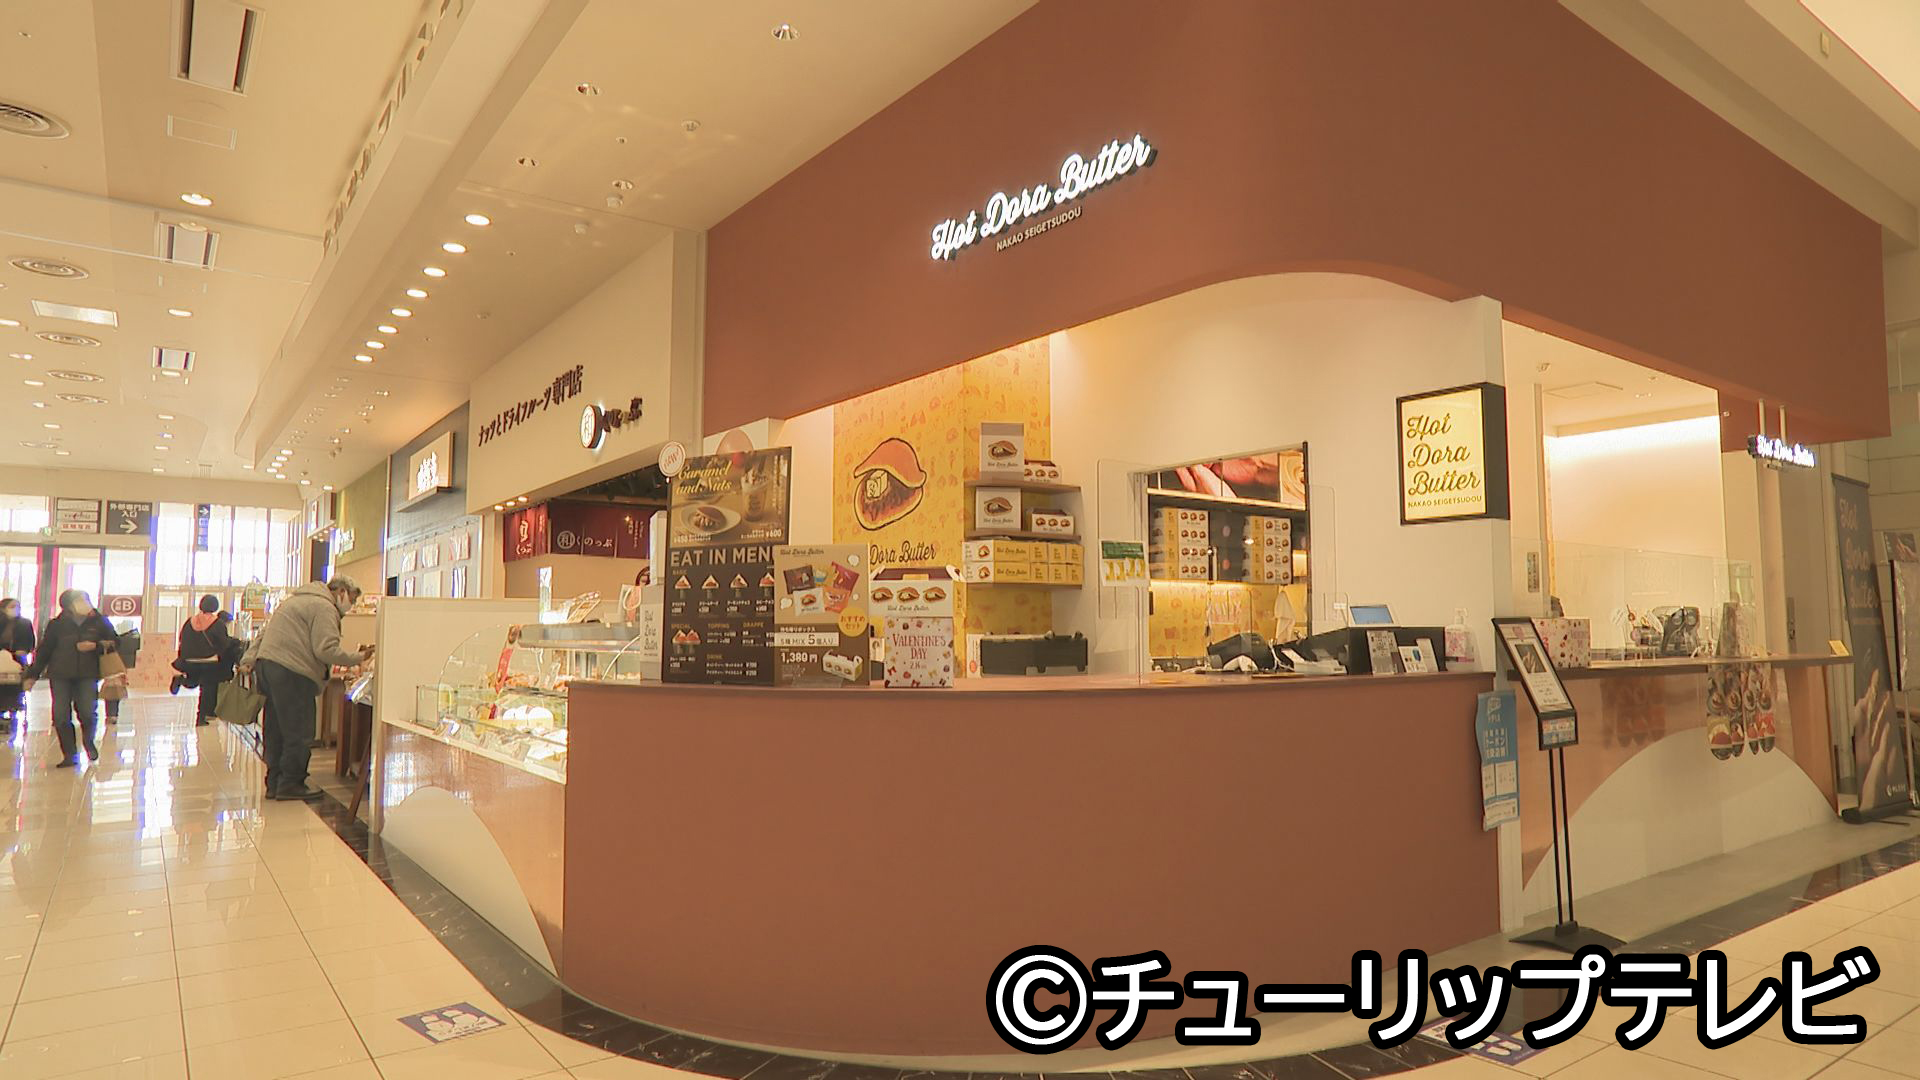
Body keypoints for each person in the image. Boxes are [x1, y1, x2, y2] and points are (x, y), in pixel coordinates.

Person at [241, 577, 373, 801]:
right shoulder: (324, 607)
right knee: (299, 730)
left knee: (275, 729)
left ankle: (274, 782)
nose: (350, 606)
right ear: (341, 591)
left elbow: (262, 635)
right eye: (351, 599)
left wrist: (248, 659)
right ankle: (291, 783)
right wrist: (359, 657)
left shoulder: (294, 601)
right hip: (293, 672)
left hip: (267, 667)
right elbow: (325, 649)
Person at [24, 589, 117, 767]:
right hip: (60, 674)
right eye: (80, 599)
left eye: (86, 599)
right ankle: (70, 754)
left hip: (88, 674)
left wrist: (96, 646)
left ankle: (88, 742)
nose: (85, 603)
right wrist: (32, 675)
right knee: (60, 716)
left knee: (87, 712)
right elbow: (45, 651)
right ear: (68, 604)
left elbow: (115, 642)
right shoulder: (56, 625)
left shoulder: (100, 622)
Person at [174, 595, 235, 727]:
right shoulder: (217, 623)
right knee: (207, 687)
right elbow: (224, 644)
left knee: (193, 680)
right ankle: (201, 717)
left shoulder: (190, 622)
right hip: (209, 661)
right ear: (215, 606)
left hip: (189, 660)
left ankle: (181, 680)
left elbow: (181, 639)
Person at [0, 598, 33, 733]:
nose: (15, 609)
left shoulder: (25, 623)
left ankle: (13, 707)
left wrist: (24, 650)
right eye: (12, 606)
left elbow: (30, 642)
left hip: (18, 659)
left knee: (15, 685)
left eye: (17, 606)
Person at [103, 620, 141, 726]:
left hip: (107, 657)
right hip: (109, 657)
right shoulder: (102, 622)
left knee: (112, 684)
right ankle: (112, 714)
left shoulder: (100, 622)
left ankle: (112, 714)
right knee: (113, 684)